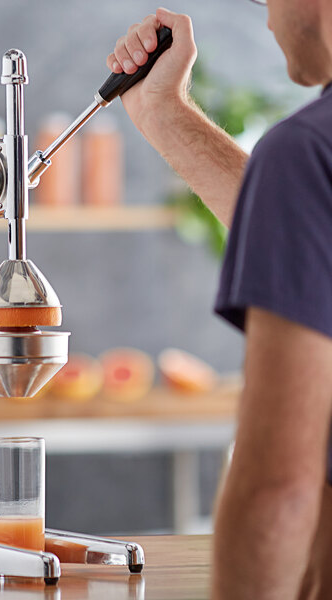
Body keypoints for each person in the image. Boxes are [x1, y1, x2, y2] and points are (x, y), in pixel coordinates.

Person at [107, 5, 332, 600]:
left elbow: (276, 488)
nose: (265, 20)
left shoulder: (308, 154)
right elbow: (310, 240)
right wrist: (163, 113)